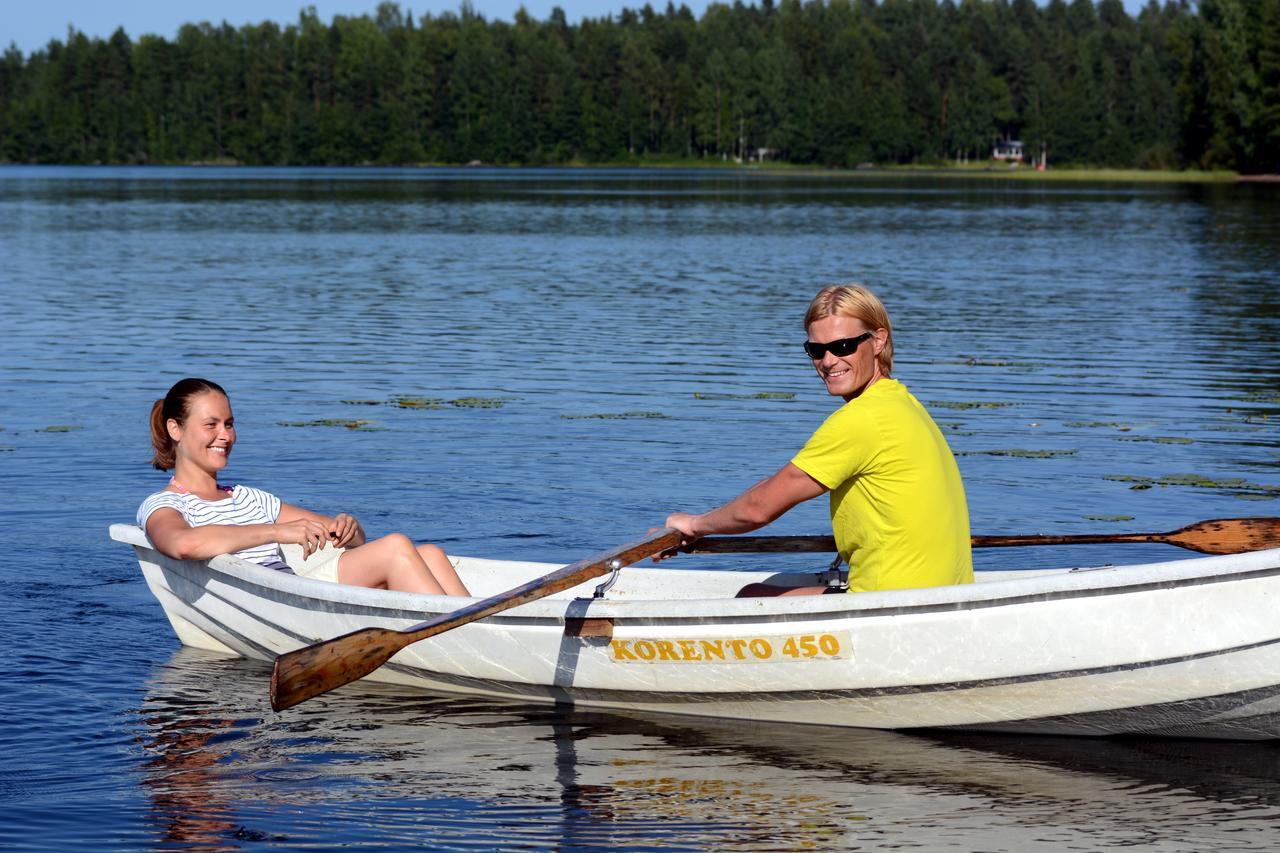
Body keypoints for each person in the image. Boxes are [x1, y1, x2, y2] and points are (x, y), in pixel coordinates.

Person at [663, 284, 973, 595]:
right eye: (816, 350)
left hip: (889, 602)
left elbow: (757, 510)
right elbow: (776, 486)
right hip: (943, 594)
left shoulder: (862, 419)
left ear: (878, 340)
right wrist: (710, 518)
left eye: (843, 347)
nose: (827, 361)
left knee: (751, 596)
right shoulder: (902, 403)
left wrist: (694, 525)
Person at [138, 377, 470, 596]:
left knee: (429, 553)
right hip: (274, 602)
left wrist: (349, 529)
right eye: (211, 425)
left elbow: (353, 540)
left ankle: (485, 635)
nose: (225, 435)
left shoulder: (250, 498)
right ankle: (467, 642)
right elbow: (181, 545)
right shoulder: (165, 506)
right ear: (175, 429)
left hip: (297, 592)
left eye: (229, 424)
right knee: (397, 546)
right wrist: (274, 532)